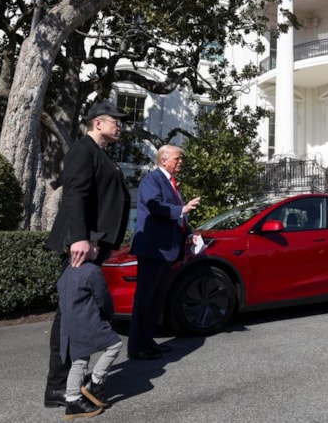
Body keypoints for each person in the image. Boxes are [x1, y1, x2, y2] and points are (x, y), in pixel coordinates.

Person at [44, 101, 130, 409]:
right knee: (70, 317)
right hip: (82, 245)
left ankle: (67, 383)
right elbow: (75, 195)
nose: (120, 126)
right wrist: (80, 237)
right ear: (98, 123)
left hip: (93, 243)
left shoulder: (99, 153)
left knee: (77, 314)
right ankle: (59, 388)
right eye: (116, 121)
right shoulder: (83, 150)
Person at [128, 145, 200, 360]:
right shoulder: (152, 180)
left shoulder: (171, 182)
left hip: (166, 251)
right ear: (163, 160)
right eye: (177, 159)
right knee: (145, 299)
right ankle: (137, 347)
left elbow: (177, 216)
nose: (181, 162)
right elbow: (155, 207)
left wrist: (189, 233)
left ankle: (148, 342)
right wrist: (182, 209)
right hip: (154, 250)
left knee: (156, 299)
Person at [57, 239, 123, 419]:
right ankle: (95, 382)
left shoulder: (67, 270)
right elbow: (103, 298)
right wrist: (109, 315)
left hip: (69, 325)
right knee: (115, 345)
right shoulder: (92, 270)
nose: (98, 247)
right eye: (93, 244)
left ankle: (72, 399)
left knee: (79, 360)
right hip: (87, 322)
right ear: (82, 249)